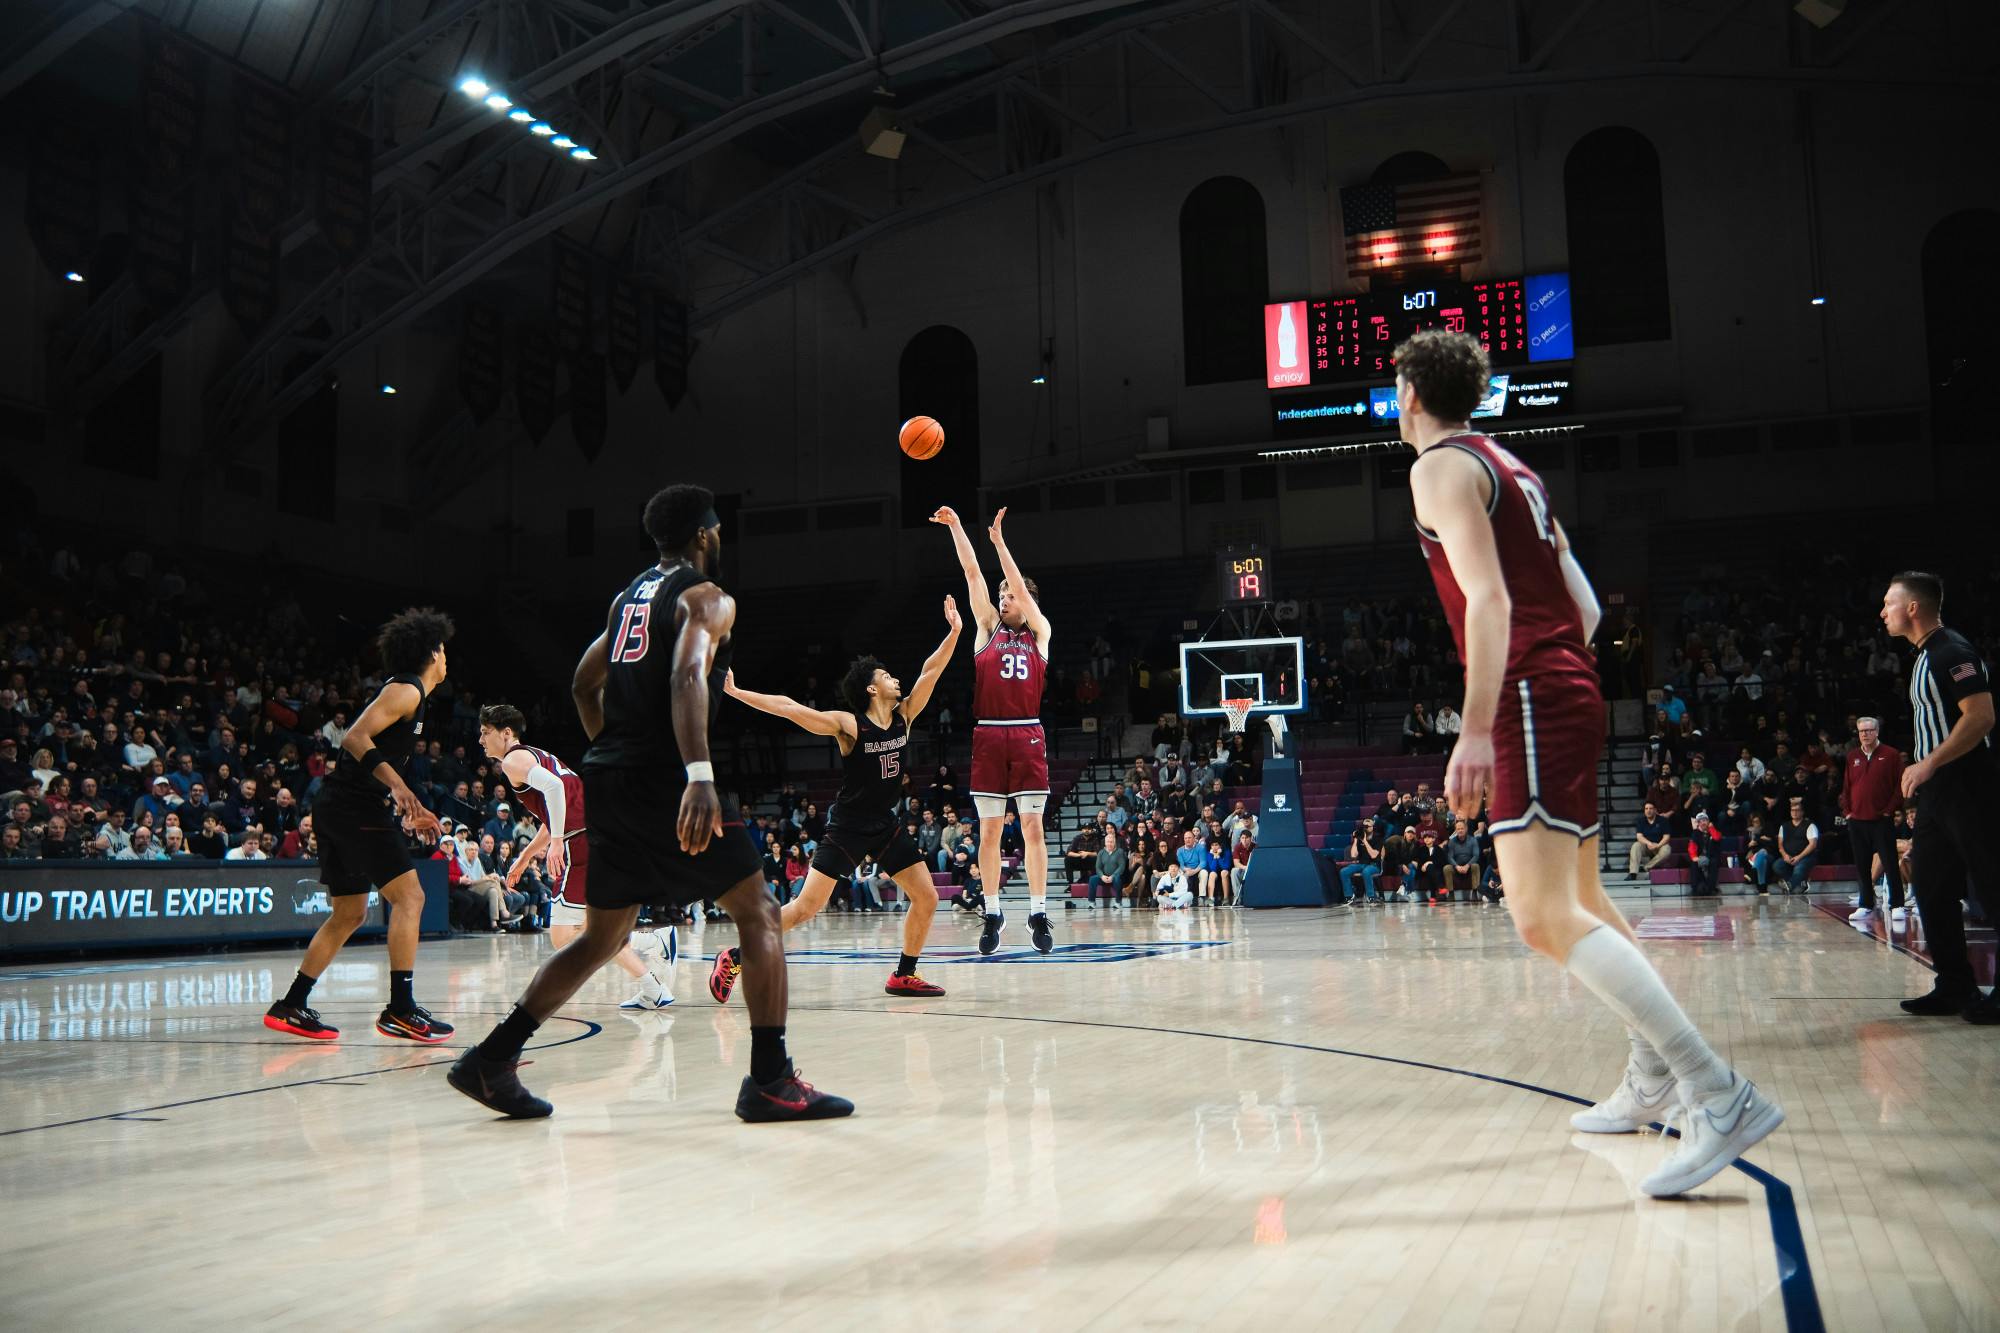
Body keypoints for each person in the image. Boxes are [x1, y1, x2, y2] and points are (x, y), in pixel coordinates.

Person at [1397, 327, 1781, 1197]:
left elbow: (1490, 598)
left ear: (1410, 395)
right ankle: (1651, 1077)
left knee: (1538, 916)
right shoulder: (1514, 467)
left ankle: (1717, 1091)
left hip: (1531, 690)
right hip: (1569, 681)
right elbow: (1590, 606)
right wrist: (1552, 669)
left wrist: (1475, 726)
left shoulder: (1438, 467)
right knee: (1586, 898)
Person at [448, 484, 851, 1119]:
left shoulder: (626, 599)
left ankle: (491, 1061)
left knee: (603, 936)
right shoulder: (707, 597)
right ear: (704, 535)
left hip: (610, 778)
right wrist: (696, 772)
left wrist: (613, 750)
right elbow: (687, 675)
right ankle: (771, 1079)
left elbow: (584, 684)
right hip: (666, 778)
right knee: (762, 911)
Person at [716, 596, 961, 999]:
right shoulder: (850, 726)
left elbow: (931, 669)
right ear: (871, 688)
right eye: (886, 676)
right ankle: (736, 955)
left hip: (884, 824)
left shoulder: (905, 714)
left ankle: (903, 974)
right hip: (847, 827)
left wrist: (953, 633)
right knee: (804, 909)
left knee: (927, 896)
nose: (895, 679)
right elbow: (790, 708)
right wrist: (739, 693)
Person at [263, 609, 454, 1044]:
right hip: (353, 809)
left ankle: (292, 1003)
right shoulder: (407, 690)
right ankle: (400, 1010)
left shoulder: (410, 696)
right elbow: (353, 737)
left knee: (349, 912)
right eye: (443, 650)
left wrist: (411, 802)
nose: (447, 659)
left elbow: (373, 758)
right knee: (411, 897)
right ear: (431, 652)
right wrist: (399, 788)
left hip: (341, 805)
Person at [480, 704, 675, 1011]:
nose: (481, 739)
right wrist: (525, 856)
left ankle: (652, 954)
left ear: (506, 733)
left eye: (485, 732)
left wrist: (557, 841)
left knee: (563, 937)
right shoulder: (538, 755)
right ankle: (654, 971)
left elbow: (556, 790)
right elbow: (554, 810)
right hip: (595, 834)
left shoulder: (513, 761)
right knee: (589, 929)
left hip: (580, 843)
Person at [932, 504, 1056, 956]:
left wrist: (1001, 544)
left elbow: (1021, 586)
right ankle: (992, 909)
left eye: (1010, 595)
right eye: (1001, 595)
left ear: (1026, 601)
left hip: (1026, 734)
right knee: (987, 834)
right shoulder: (986, 629)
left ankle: (1039, 911)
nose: (1004, 599)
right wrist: (958, 528)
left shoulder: (1040, 631)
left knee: (1033, 828)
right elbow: (970, 572)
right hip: (988, 735)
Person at [1880, 572, 2000, 1022]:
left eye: (1889, 603)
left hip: (1969, 783)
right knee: (1930, 887)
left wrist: (1930, 762)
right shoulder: (1923, 655)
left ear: (1913, 607)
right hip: (1937, 792)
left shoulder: (1952, 650)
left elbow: (1981, 716)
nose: (1882, 612)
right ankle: (1954, 985)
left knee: (1992, 883)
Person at [1840, 716, 1906, 927]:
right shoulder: (1852, 756)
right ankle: (1865, 903)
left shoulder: (1891, 755)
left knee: (1889, 863)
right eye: (1861, 731)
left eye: (1869, 730)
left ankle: (1897, 905)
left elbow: (1900, 786)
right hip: (1857, 820)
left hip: (1881, 820)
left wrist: (1889, 811)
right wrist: (1847, 811)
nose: (1865, 734)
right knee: (1861, 865)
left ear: (1877, 731)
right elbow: (1847, 786)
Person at [1774, 797, 1819, 894]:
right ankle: (1802, 882)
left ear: (1802, 812)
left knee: (1799, 869)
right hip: (1789, 856)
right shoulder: (1784, 826)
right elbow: (1780, 845)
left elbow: (1813, 844)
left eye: (1797, 810)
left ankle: (1789, 886)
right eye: (1793, 810)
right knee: (1777, 866)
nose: (1794, 812)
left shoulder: (1809, 825)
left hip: (1805, 856)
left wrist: (1799, 857)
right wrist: (1785, 855)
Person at [1341, 820, 1384, 905]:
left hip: (1374, 865)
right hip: (1361, 864)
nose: (1366, 828)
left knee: (1366, 871)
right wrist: (1356, 839)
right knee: (1344, 871)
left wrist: (1365, 841)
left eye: (1368, 826)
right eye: (1365, 826)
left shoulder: (1378, 838)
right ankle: (1349, 897)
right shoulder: (1360, 838)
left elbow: (1373, 855)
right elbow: (1353, 855)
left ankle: (1371, 897)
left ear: (1372, 827)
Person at [1627, 802, 1673, 878]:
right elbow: (1639, 836)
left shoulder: (1663, 820)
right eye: (1646, 809)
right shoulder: (1641, 821)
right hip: (1647, 846)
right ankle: (1633, 873)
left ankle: (1647, 867)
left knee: (1667, 849)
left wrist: (1658, 845)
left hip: (1659, 846)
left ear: (1655, 810)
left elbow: (1666, 837)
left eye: (1651, 808)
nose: (1648, 810)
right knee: (1636, 845)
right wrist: (1649, 843)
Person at [1685, 813, 1722, 896]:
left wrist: (1711, 828)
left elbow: (1717, 838)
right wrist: (1695, 857)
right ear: (1698, 823)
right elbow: (1691, 847)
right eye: (1700, 821)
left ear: (1708, 821)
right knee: (1694, 864)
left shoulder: (1714, 831)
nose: (1703, 823)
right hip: (1699, 857)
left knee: (1714, 862)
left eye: (1705, 820)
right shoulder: (1695, 833)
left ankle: (1711, 888)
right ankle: (1695, 888)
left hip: (1711, 857)